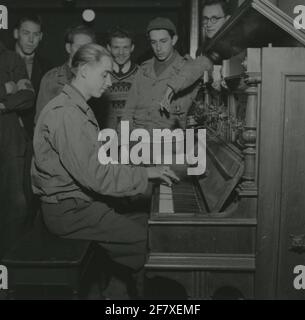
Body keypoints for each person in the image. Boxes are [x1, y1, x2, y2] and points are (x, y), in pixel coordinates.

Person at [31, 43, 179, 298]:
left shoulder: (76, 106)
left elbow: (98, 162)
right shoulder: (67, 114)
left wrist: (141, 170)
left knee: (149, 222)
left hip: (80, 203)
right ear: (85, 70)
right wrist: (145, 174)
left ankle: (122, 290)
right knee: (150, 245)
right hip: (70, 211)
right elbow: (96, 176)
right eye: (105, 74)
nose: (110, 82)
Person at [120, 17, 211, 134]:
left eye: (163, 41)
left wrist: (171, 89)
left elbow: (205, 62)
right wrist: (124, 143)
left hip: (170, 145)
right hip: (140, 143)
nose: (158, 48)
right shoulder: (143, 69)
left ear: (174, 40)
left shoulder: (188, 67)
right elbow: (128, 111)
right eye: (154, 42)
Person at [14, 14, 51, 223]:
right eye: (26, 33)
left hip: (35, 140)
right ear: (16, 34)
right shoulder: (4, 61)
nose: (31, 39)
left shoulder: (47, 67)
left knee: (32, 197)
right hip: (7, 138)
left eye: (36, 35)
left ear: (41, 37)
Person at [0, 41, 35, 258]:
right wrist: (5, 88)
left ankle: (9, 267)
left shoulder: (12, 58)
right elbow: (14, 92)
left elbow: (27, 97)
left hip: (10, 142)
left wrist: (3, 105)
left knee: (16, 206)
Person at [160, 0, 230, 108]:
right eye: (205, 19)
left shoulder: (237, 47)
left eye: (214, 19)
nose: (209, 24)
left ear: (227, 19)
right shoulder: (202, 50)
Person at [35, 25, 96, 122]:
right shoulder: (52, 78)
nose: (84, 52)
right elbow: (41, 119)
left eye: (88, 47)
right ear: (68, 48)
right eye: (79, 47)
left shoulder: (97, 79)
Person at [97, 26, 138, 130]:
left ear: (132, 48)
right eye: (116, 47)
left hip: (134, 137)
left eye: (125, 47)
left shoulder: (142, 74)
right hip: (106, 136)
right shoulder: (99, 74)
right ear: (108, 48)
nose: (121, 53)